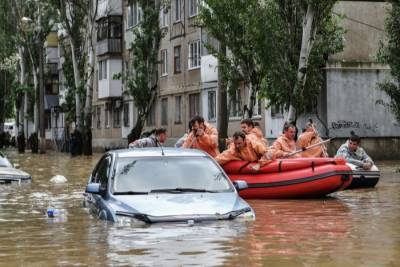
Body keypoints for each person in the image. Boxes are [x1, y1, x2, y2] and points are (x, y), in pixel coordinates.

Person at [216, 131, 281, 171]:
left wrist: (259, 164)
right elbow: (223, 156)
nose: (237, 146)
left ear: (244, 141)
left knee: (275, 152)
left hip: (260, 159)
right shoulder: (234, 148)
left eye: (239, 143)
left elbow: (268, 153)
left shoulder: (254, 144)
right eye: (235, 143)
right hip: (250, 162)